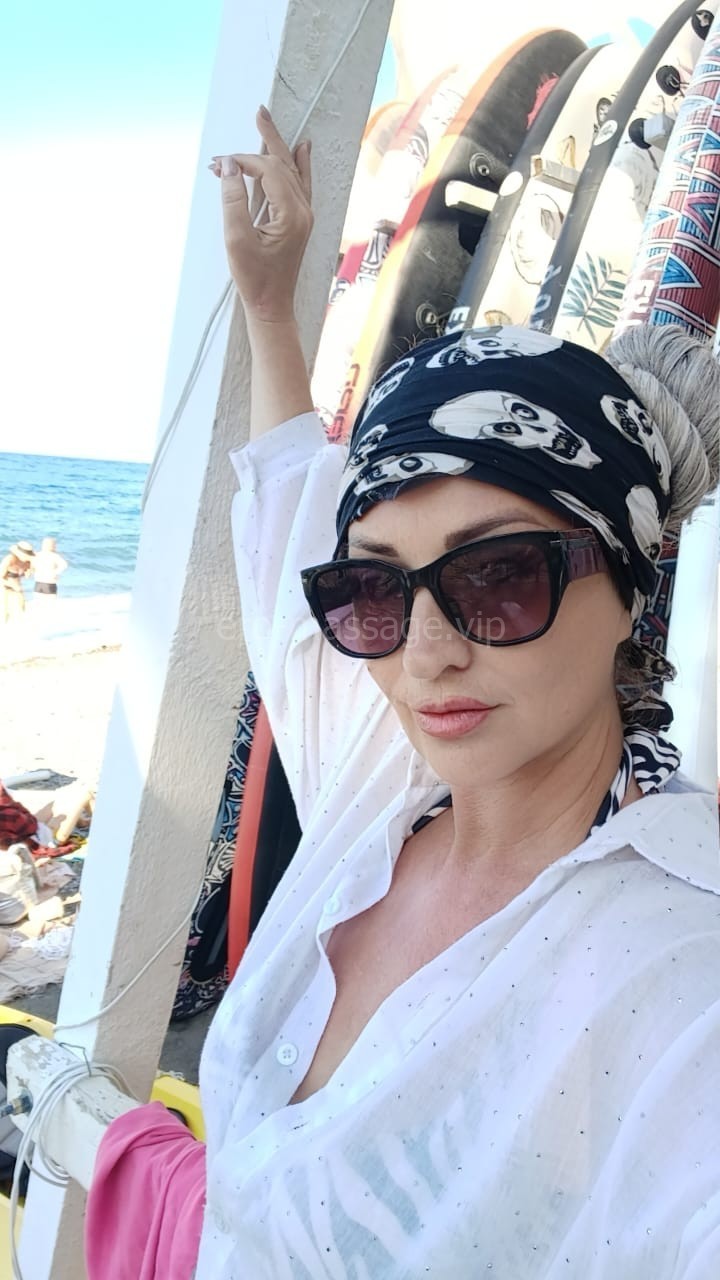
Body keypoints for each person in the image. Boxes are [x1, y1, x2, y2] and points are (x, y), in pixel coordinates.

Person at [84, 111, 719, 1278]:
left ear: (630, 588)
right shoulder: (379, 782)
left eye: (498, 575)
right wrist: (271, 304)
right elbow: (294, 503)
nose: (425, 654)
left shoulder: (681, 966)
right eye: (374, 588)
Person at [0, 542, 34, 624]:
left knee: (22, 608)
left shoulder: (27, 562)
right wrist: (12, 585)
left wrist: (28, 573)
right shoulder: (9, 560)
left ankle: (19, 627)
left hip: (18, 588)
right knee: (5, 611)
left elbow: (26, 574)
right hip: (4, 587)